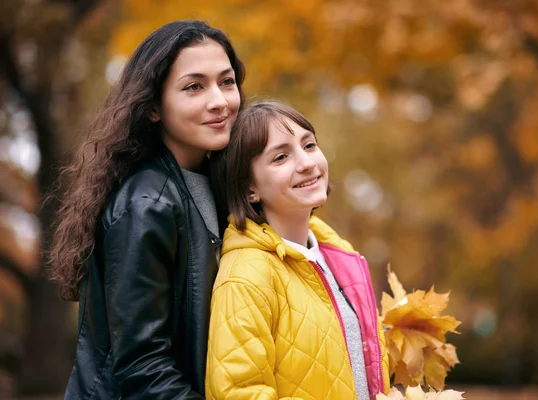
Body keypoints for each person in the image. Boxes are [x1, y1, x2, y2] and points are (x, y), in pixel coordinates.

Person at [47, 20, 245, 399]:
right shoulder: (146, 205)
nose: (219, 100)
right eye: (194, 87)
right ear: (153, 107)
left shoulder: (217, 186)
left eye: (226, 81)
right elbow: (143, 365)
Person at [206, 101, 390, 399]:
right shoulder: (245, 277)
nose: (306, 163)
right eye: (281, 157)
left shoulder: (338, 256)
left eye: (309, 145)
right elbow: (241, 393)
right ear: (249, 188)